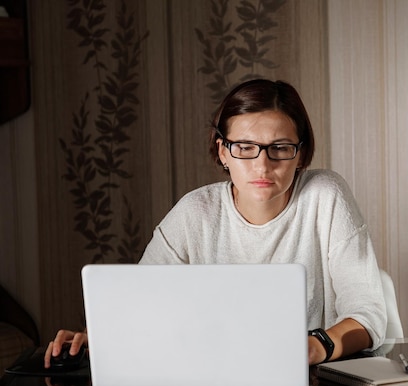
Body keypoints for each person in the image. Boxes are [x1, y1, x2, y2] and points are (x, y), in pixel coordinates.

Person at [45, 79, 387, 368]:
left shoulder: (326, 195)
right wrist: (99, 339)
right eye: (245, 147)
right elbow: (143, 307)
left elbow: (369, 316)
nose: (262, 166)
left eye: (279, 148)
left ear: (300, 154)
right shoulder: (194, 212)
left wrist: (315, 346)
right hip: (209, 382)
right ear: (223, 152)